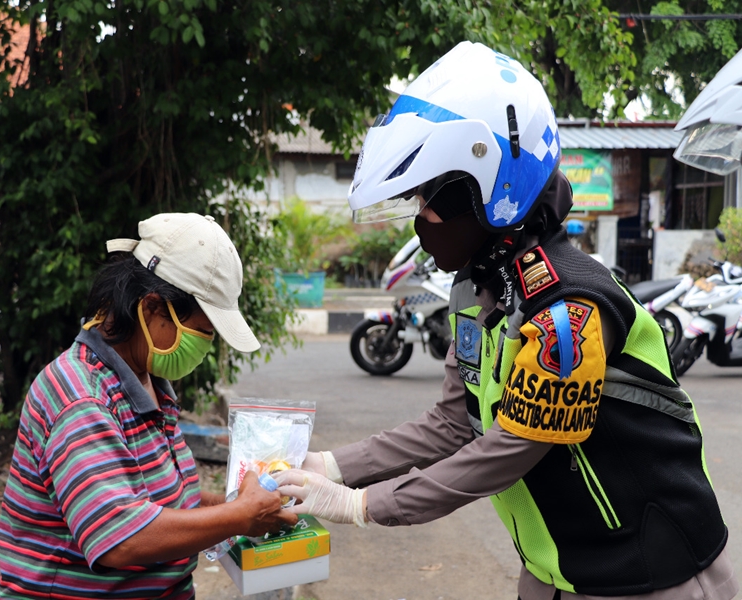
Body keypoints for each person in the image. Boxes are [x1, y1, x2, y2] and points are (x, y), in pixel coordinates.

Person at [275, 42, 740, 599]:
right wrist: (331, 465)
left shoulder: (569, 309)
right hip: (552, 568)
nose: (420, 215)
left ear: (493, 191)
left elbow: (514, 444)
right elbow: (453, 422)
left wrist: (361, 505)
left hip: (647, 570)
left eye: (431, 195)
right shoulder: (480, 290)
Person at [0, 213, 297, 599]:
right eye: (202, 332)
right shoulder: (80, 397)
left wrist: (240, 506)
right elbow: (118, 537)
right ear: (152, 308)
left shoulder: (146, 383)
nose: (205, 346)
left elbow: (159, 501)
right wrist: (238, 515)